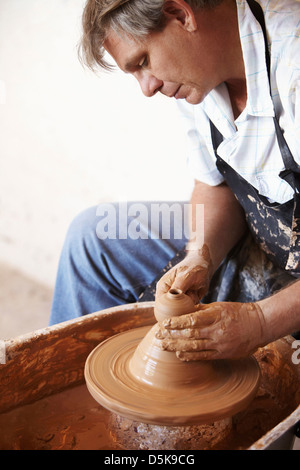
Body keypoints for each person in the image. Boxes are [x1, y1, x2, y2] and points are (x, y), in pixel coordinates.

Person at [50, 0, 300, 361]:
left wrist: (259, 322)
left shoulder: (292, 64)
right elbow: (215, 184)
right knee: (92, 237)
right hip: (263, 245)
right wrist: (200, 255)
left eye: (143, 62)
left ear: (181, 14)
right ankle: (68, 392)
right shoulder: (198, 74)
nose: (146, 88)